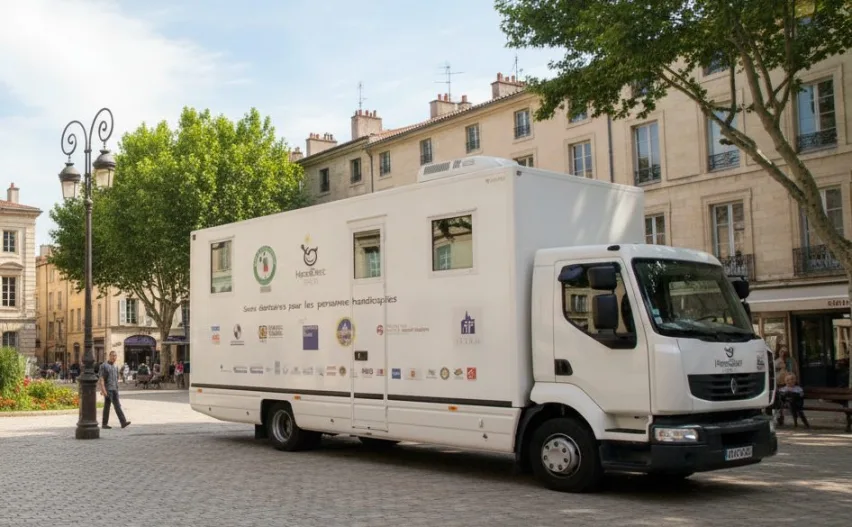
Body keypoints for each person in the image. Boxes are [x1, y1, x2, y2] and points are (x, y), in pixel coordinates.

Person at [98, 351, 131, 430]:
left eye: (115, 356)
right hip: (108, 389)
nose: (114, 357)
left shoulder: (116, 366)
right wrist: (103, 390)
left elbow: (116, 379)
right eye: (113, 356)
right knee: (111, 406)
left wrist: (117, 388)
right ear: (109, 356)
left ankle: (119, 423)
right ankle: (119, 422)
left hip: (115, 389)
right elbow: (101, 378)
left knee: (114, 406)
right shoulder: (104, 366)